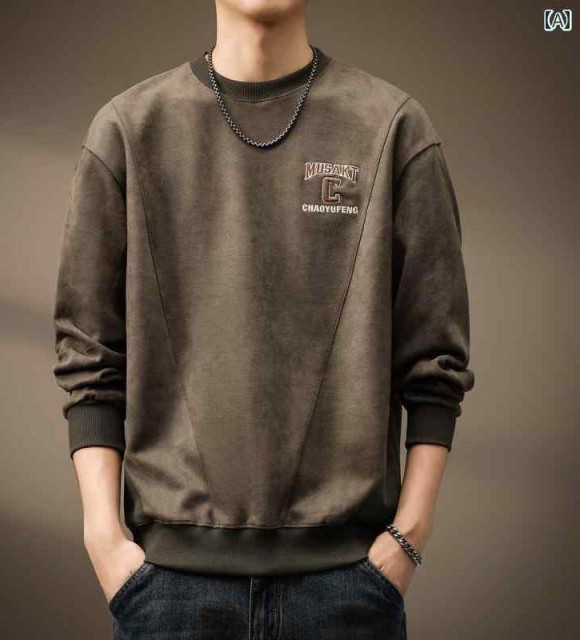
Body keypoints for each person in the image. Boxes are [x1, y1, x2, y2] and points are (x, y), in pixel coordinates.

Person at [51, 1, 475, 638]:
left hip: (347, 588)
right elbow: (88, 351)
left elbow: (436, 356)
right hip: (169, 590)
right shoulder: (129, 130)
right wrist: (103, 539)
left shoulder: (390, 127)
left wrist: (408, 536)